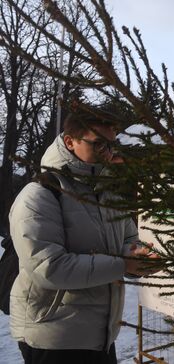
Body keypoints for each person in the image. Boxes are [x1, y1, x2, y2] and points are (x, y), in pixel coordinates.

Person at [9, 105, 158, 364]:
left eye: (112, 145)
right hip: (54, 338)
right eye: (98, 144)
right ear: (70, 141)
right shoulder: (40, 195)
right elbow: (49, 267)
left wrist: (139, 258)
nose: (107, 153)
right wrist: (123, 264)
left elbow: (128, 241)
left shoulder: (107, 193)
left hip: (100, 335)